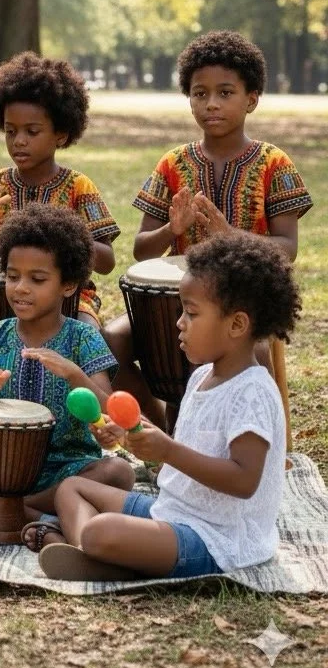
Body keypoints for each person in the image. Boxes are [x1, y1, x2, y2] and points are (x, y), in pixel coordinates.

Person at [39, 232, 298, 581]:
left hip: (218, 539)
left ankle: (90, 549)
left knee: (102, 530)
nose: (179, 322)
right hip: (174, 510)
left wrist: (169, 450)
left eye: (191, 313)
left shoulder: (251, 392)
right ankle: (93, 555)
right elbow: (180, 451)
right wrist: (128, 435)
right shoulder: (203, 375)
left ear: (237, 324)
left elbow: (244, 481)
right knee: (72, 488)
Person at [104, 30, 312, 426]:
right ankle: (161, 425)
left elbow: (287, 248)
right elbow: (141, 250)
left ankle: (258, 445)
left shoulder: (274, 163)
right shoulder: (172, 163)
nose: (211, 104)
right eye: (200, 94)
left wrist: (229, 235)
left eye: (225, 92)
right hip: (178, 300)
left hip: (246, 298)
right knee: (108, 343)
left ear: (251, 99)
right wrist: (171, 228)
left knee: (259, 354)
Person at [0, 205, 133, 540]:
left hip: (64, 469)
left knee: (117, 472)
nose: (21, 288)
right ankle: (40, 519)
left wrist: (75, 375)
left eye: (37, 279)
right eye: (12, 277)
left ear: (69, 284)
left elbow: (107, 409)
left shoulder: (82, 337)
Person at [0, 51, 119, 386]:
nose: (19, 141)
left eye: (32, 131)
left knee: (91, 336)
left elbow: (106, 262)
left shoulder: (78, 186)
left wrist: (70, 233)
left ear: (60, 134)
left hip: (68, 301)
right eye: (11, 131)